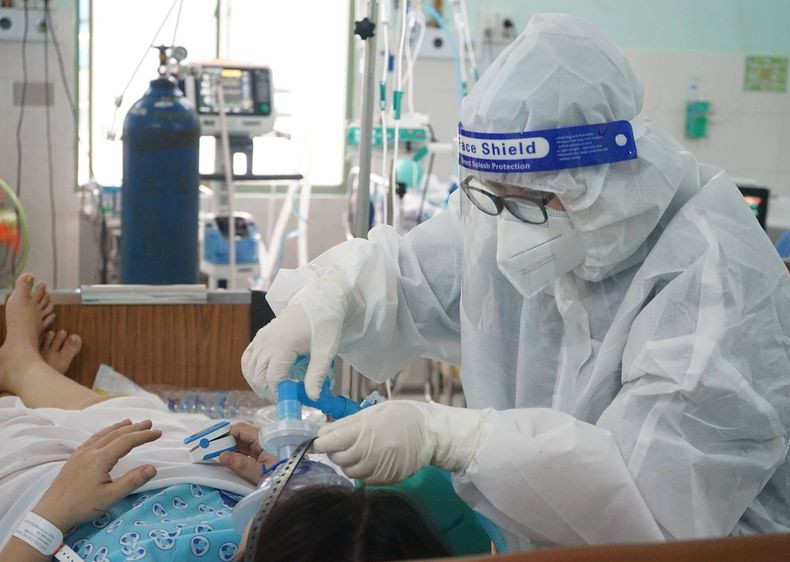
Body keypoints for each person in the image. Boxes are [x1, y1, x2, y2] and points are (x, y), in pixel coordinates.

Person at [241, 13, 790, 550]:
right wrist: (324, 299)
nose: (507, 229)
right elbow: (410, 275)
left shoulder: (717, 282)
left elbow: (653, 500)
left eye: (532, 199)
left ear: (607, 178)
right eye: (491, 194)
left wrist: (453, 437)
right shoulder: (506, 211)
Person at [0, 274, 452, 562]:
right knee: (153, 426)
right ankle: (29, 373)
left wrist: (52, 512)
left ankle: (24, 374)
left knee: (25, 442)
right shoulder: (351, 545)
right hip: (189, 487)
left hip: (60, 510)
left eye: (273, 524)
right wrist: (288, 481)